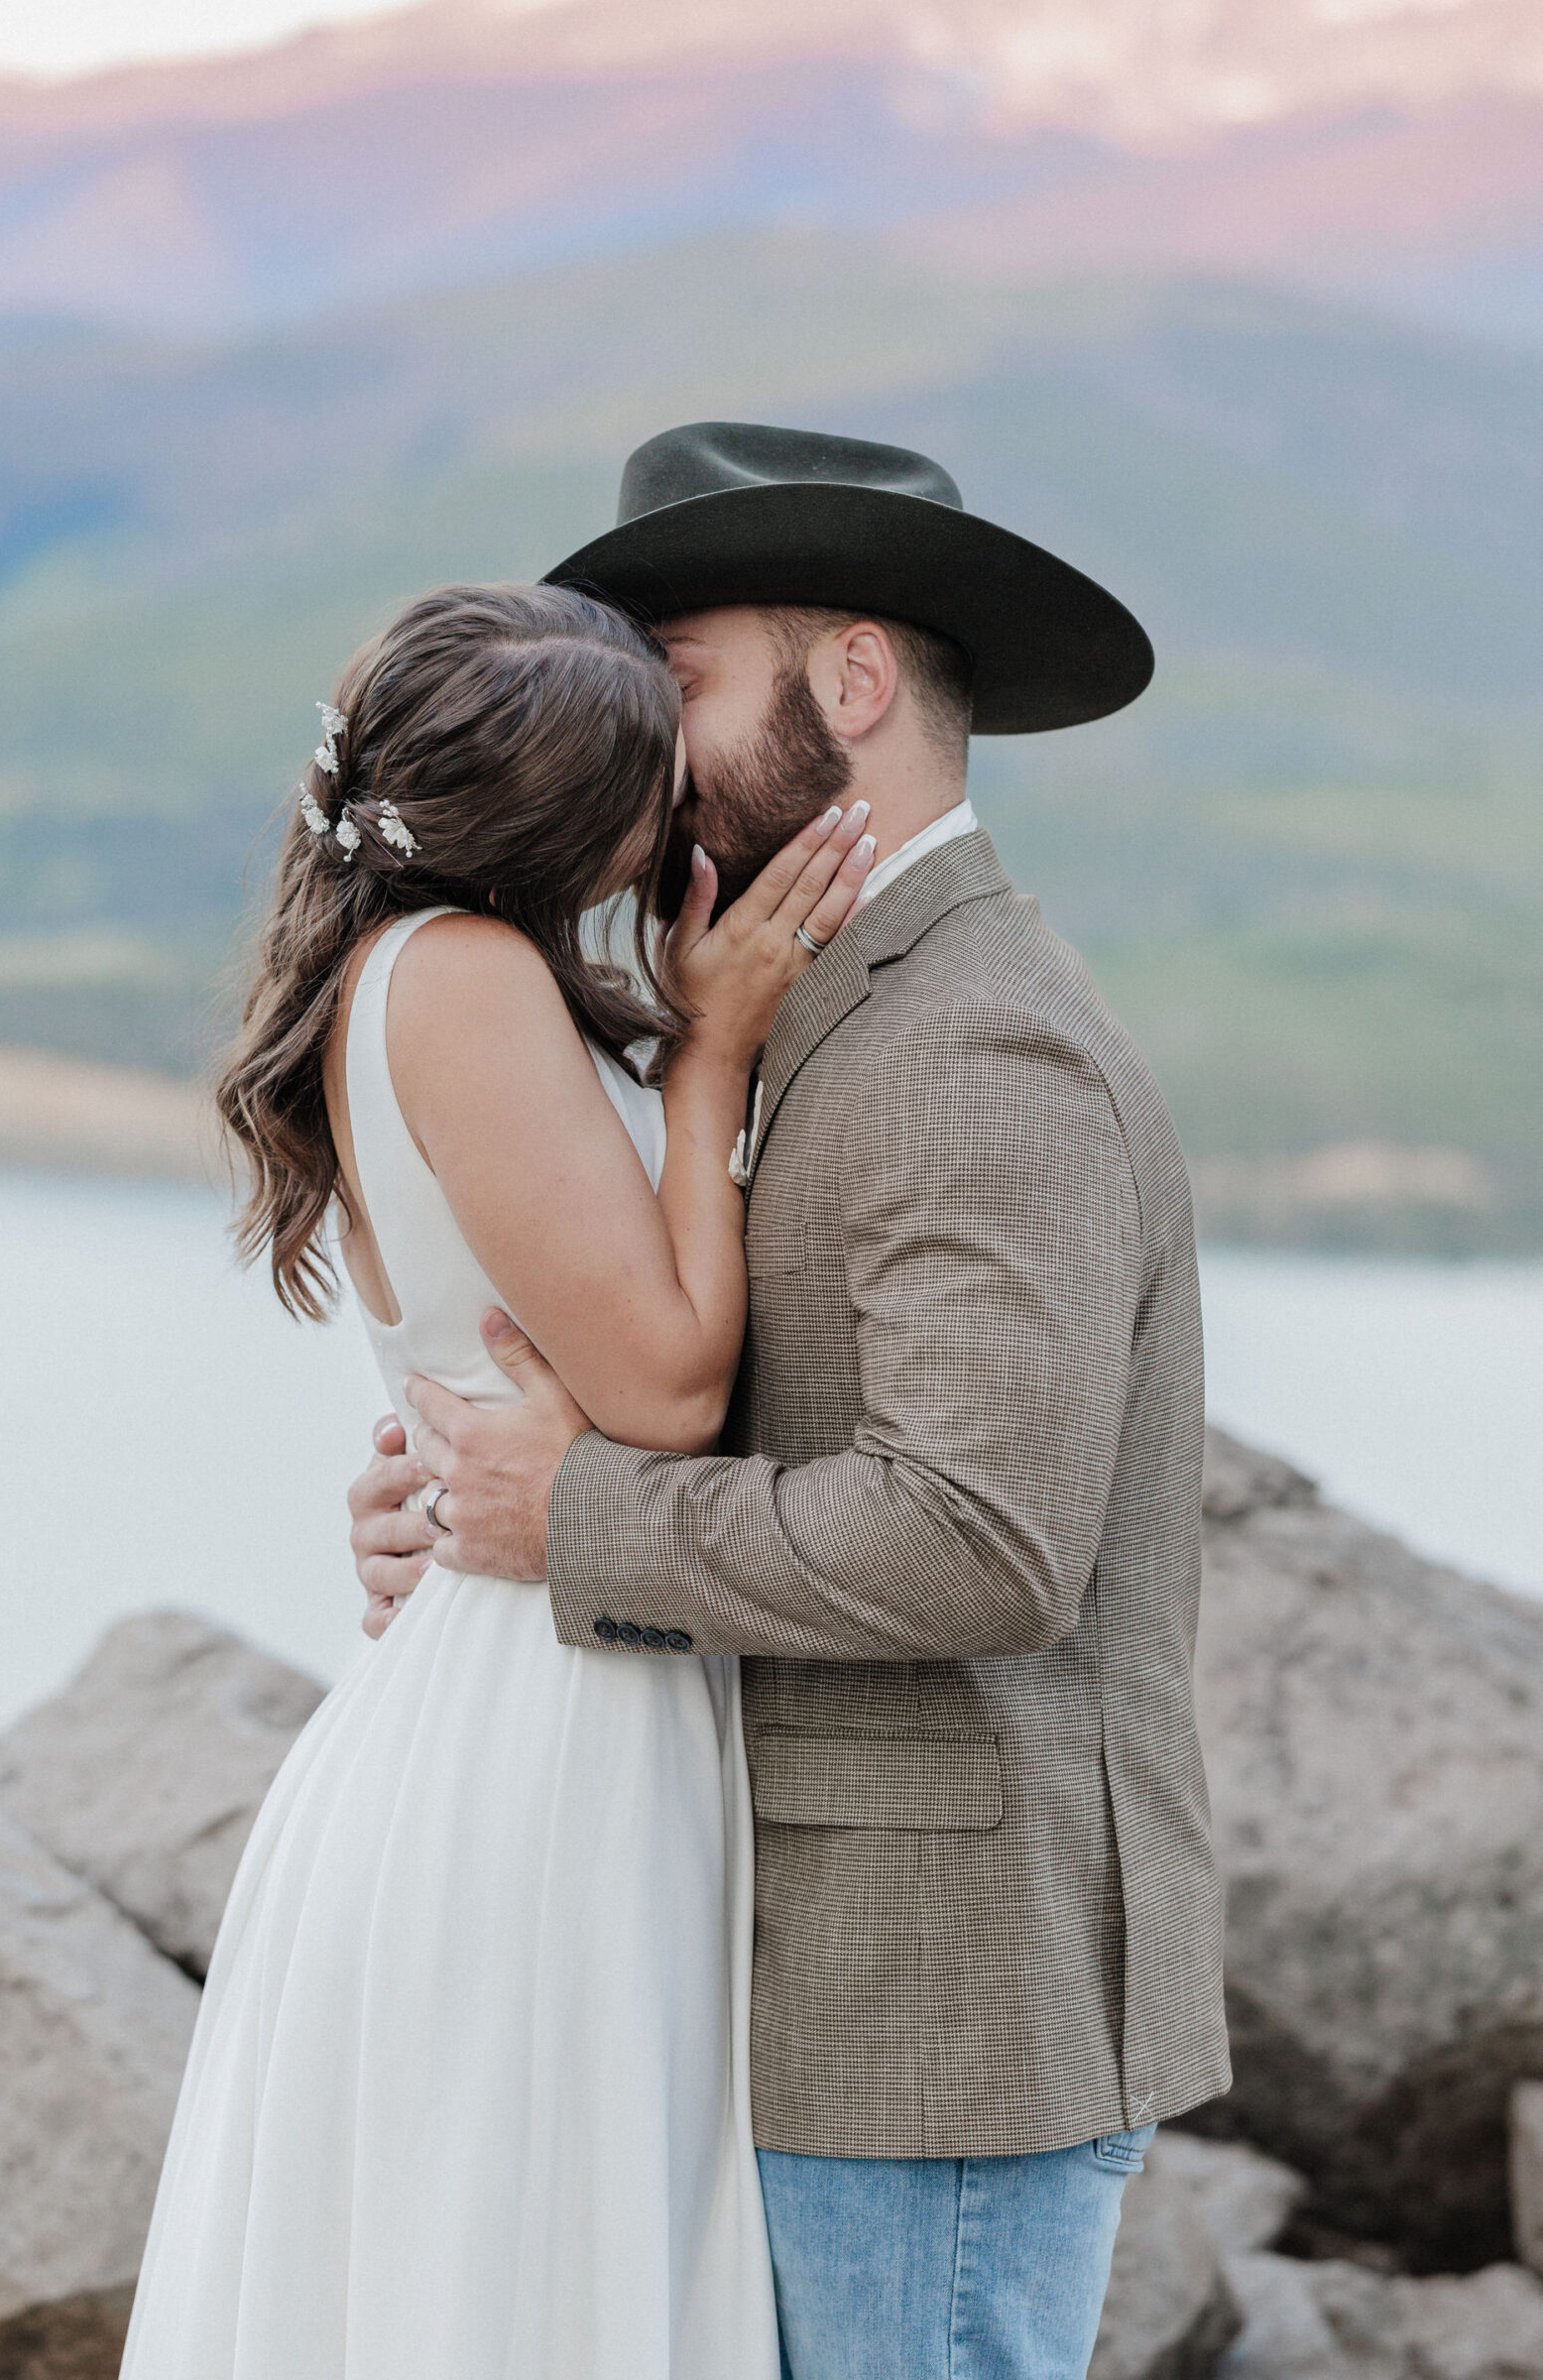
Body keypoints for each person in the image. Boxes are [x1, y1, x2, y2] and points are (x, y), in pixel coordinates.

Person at [349, 422, 1233, 2380]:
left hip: (930, 2026)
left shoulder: (966, 1045)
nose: (630, 755)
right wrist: (474, 1480)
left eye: (672, 685)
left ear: (847, 685)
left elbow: (975, 1537)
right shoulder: (794, 1000)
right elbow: (738, 1403)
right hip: (783, 1980)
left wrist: (561, 1522)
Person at [121, 579, 877, 2378]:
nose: (679, 804)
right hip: (539, 1721)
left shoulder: (457, 973)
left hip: (552, 1668)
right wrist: (712, 1059)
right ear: (568, 816)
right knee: (515, 2276)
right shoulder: (457, 978)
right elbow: (673, 1386)